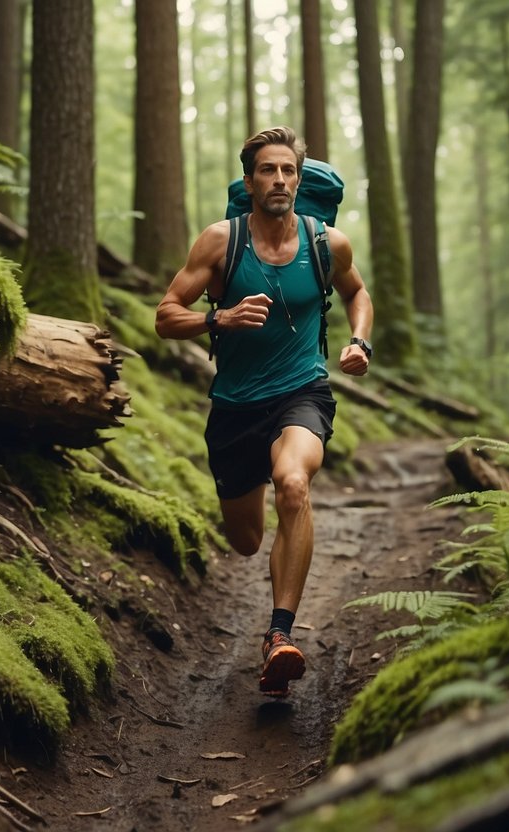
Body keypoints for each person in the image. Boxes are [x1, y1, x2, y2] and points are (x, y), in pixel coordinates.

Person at [154, 126, 374, 696]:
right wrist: (217, 319)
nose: (279, 180)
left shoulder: (327, 243)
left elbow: (357, 293)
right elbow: (165, 315)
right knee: (247, 540)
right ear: (250, 180)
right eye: (268, 171)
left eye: (289, 171)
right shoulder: (219, 243)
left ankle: (279, 635)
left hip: (302, 389)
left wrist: (359, 341)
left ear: (299, 181)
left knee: (294, 483)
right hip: (234, 405)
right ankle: (276, 599)